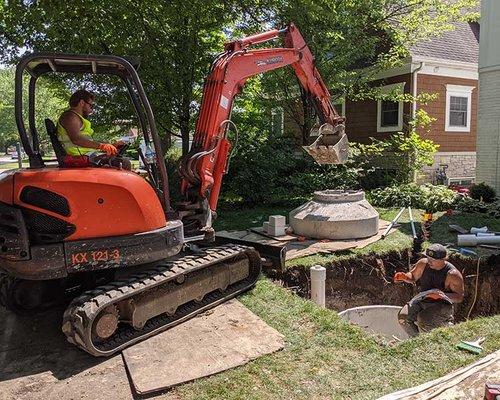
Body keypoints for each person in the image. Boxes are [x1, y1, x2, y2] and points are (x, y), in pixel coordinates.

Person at [394, 243, 464, 337]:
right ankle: (417, 341)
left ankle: (438, 333)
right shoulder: (423, 264)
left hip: (442, 305)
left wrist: (442, 295)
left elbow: (459, 297)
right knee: (403, 317)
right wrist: (405, 277)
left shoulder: (452, 274)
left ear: (443, 259)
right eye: (428, 258)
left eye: (433, 260)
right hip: (423, 300)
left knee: (423, 319)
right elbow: (413, 276)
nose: (429, 261)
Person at [57, 89, 131, 170]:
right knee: (124, 162)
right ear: (82, 103)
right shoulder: (70, 117)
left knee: (119, 158)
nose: (92, 109)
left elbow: (87, 140)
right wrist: (102, 146)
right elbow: (76, 140)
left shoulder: (77, 117)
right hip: (80, 157)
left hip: (87, 155)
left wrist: (110, 145)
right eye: (91, 105)